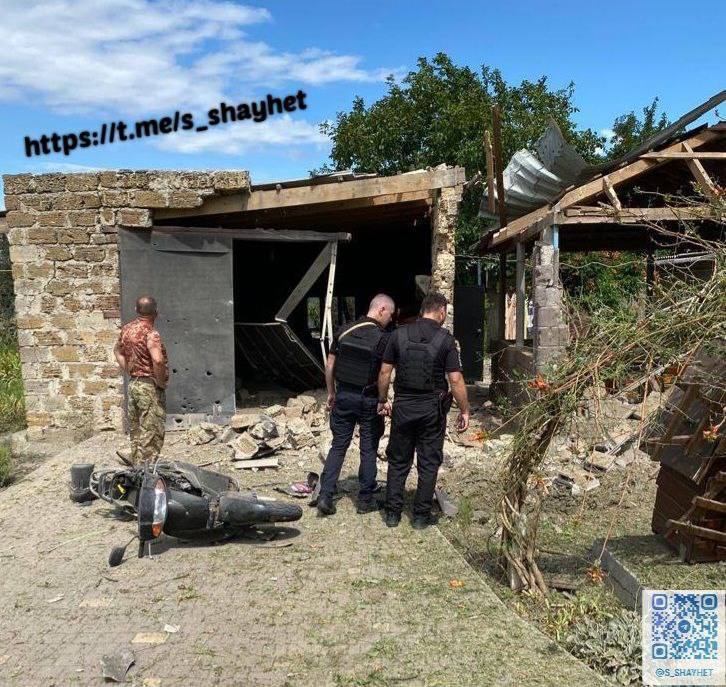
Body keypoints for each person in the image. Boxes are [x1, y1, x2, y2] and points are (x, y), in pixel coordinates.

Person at [377, 292, 469, 529]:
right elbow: (456, 380)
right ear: (441, 312)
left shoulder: (398, 335)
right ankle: (420, 517)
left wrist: (382, 400)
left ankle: (392, 514)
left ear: (422, 310)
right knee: (428, 463)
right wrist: (465, 410)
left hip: (403, 407)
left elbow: (385, 372)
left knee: (398, 460)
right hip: (431, 411)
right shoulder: (446, 340)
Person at [316, 293, 396, 516]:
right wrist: (383, 399)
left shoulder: (344, 330)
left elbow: (330, 364)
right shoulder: (384, 338)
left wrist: (331, 392)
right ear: (381, 309)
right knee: (368, 448)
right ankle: (365, 500)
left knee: (338, 445)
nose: (391, 319)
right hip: (369, 399)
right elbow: (384, 373)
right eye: (390, 314)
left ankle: (325, 495)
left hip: (344, 395)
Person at [113, 296, 169, 465]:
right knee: (152, 430)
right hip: (149, 387)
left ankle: (137, 465)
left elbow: (117, 351)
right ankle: (147, 470)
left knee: (136, 429)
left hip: (134, 385)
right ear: (156, 312)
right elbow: (157, 360)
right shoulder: (151, 333)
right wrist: (160, 382)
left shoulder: (126, 329)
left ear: (136, 310)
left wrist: (130, 370)